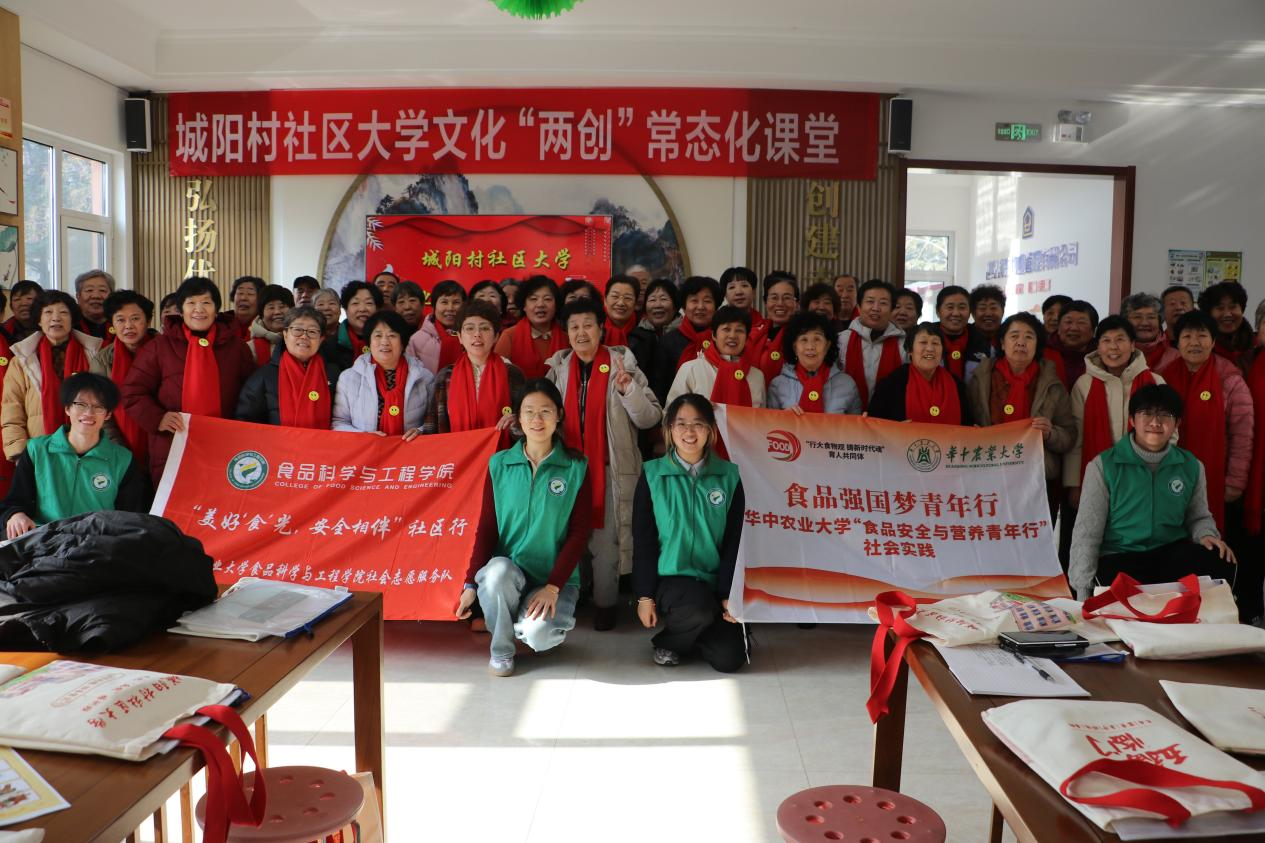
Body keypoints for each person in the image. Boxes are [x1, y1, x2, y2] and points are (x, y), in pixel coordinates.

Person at [455, 379, 592, 677]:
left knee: (539, 635)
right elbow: (487, 528)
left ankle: (514, 623)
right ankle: (502, 651)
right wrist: (470, 586)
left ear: (558, 415)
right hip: (509, 574)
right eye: (529, 411)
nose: (536, 419)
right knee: (496, 574)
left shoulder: (576, 467)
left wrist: (553, 587)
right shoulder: (499, 464)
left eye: (545, 411)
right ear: (518, 418)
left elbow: (580, 533)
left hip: (554, 579)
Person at [546, 298, 662, 629]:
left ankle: (606, 604)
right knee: (567, 534)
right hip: (566, 470)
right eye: (574, 326)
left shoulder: (623, 364)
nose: (581, 332)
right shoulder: (558, 369)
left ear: (601, 328)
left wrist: (628, 390)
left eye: (588, 325)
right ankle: (576, 595)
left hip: (610, 470)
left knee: (606, 542)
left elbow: (651, 417)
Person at [1068, 384, 1237, 600]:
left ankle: (1217, 614)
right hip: (1121, 555)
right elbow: (1087, 532)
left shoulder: (1191, 466)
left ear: (1177, 423)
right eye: (1146, 413)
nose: (1155, 422)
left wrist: (1206, 534)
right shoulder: (1104, 466)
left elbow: (1198, 516)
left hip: (1170, 553)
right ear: (1132, 420)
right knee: (1113, 581)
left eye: (1165, 415)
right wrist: (1083, 590)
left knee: (1220, 556)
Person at [633, 393, 746, 672]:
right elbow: (644, 539)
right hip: (672, 581)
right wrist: (644, 595)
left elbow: (735, 541)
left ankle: (691, 633)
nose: (689, 432)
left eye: (698, 424)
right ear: (670, 429)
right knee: (695, 607)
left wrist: (728, 594)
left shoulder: (730, 476)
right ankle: (669, 641)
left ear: (711, 430)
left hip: (714, 582)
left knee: (730, 658)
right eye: (681, 423)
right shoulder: (653, 475)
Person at [120, 277, 256, 482]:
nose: (199, 309)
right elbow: (133, 391)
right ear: (181, 310)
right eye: (191, 303)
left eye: (206, 302)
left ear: (216, 310)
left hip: (225, 444)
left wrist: (239, 427)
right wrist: (158, 418)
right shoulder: (160, 347)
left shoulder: (237, 348)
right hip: (172, 445)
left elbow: (252, 395)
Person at [0, 373, 149, 539]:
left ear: (107, 414)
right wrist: (16, 515)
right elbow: (15, 501)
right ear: (67, 408)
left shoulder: (123, 459)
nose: (89, 412)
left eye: (98, 406)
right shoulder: (37, 450)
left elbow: (129, 517)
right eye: (80, 404)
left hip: (96, 542)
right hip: (43, 537)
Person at [966, 312, 1076, 512]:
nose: (1021, 342)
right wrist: (972, 434)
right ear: (1002, 343)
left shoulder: (1052, 385)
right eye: (1014, 336)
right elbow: (963, 425)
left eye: (1029, 337)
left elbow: (1069, 436)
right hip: (987, 477)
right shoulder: (980, 379)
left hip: (1036, 480)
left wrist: (1050, 434)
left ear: (1037, 344)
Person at [1159, 310, 1252, 533]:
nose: (1194, 343)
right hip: (1165, 473)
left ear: (1213, 341)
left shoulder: (1230, 380)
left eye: (1202, 336)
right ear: (1177, 342)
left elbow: (1242, 435)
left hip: (1214, 477)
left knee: (1205, 535)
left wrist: (1235, 481)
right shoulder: (1162, 377)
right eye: (1187, 336)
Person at [1065, 316, 1165, 503]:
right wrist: (1074, 484)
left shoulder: (1155, 382)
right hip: (1097, 477)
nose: (1113, 347)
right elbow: (1077, 437)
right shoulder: (1084, 384)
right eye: (1106, 340)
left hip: (1144, 478)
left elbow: (1168, 433)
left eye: (1120, 340)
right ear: (1098, 346)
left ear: (1132, 345)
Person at [3, 291, 105, 461]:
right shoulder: (22, 360)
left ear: (72, 319)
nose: (56, 318)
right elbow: (12, 409)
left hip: (89, 451)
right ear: (39, 320)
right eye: (48, 312)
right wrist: (20, 453)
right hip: (38, 453)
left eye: (63, 312)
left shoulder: (94, 354)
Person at [424, 300, 524, 437]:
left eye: (485, 328)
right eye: (470, 328)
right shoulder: (446, 376)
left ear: (496, 336)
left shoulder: (512, 374)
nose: (477, 334)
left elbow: (524, 423)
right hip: (457, 449)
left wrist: (516, 422)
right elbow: (432, 425)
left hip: (502, 450)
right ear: (460, 337)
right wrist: (418, 431)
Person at [332, 310, 432, 439]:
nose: (385, 342)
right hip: (367, 449)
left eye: (392, 335)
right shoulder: (349, 378)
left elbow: (434, 422)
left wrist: (420, 431)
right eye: (378, 335)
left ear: (402, 342)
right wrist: (364, 437)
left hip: (411, 450)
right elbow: (339, 422)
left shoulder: (423, 377)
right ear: (369, 341)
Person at [236, 306, 342, 428]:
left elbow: (342, 419)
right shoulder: (264, 376)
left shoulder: (334, 374)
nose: (304, 336)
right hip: (276, 441)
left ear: (321, 339)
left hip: (323, 441)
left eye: (312, 332)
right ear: (285, 334)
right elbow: (245, 423)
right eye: (297, 330)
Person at [868, 323, 971, 425]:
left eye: (935, 343)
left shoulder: (956, 384)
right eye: (923, 342)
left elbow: (968, 426)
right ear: (909, 350)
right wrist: (895, 429)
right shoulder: (891, 384)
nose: (930, 349)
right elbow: (874, 426)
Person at [667, 306, 766, 409]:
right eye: (726, 329)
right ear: (714, 335)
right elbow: (671, 413)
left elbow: (762, 417)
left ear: (746, 339)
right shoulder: (691, 369)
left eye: (739, 330)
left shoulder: (757, 376)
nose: (732, 336)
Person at [99, 290, 156, 462]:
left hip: (161, 439)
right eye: (120, 320)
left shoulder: (164, 352)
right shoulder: (103, 360)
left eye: (135, 318)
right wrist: (118, 448)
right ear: (112, 324)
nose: (128, 326)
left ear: (148, 321)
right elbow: (100, 408)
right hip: (119, 446)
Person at [767, 311, 861, 415]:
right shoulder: (778, 385)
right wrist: (783, 418)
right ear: (794, 347)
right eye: (804, 339)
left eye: (817, 339)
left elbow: (856, 424)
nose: (810, 347)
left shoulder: (847, 384)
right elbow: (769, 424)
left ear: (827, 346)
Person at [836, 279, 906, 411]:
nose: (875, 308)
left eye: (883, 303)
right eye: (870, 301)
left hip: (889, 418)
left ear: (892, 310)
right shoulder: (841, 340)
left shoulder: (903, 345)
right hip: (847, 416)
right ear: (859, 307)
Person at [651, 276, 721, 404]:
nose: (700, 306)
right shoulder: (668, 341)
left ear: (716, 306)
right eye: (694, 301)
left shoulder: (723, 341)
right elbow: (659, 388)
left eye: (707, 301)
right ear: (684, 307)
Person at [493, 275, 567, 380]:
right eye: (533, 299)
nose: (540, 304)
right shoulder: (510, 336)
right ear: (524, 305)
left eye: (547, 299)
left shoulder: (567, 338)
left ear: (556, 305)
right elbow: (496, 374)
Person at [748, 271, 800, 386]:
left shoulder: (803, 336)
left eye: (787, 298)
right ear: (765, 302)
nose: (780, 303)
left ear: (796, 303)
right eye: (774, 298)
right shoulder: (752, 333)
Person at [408, 279, 466, 374]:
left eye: (456, 302)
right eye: (444, 302)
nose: (450, 308)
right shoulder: (416, 340)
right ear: (434, 306)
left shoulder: (472, 337)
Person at [936, 285, 991, 383]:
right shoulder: (925, 338)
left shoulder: (981, 340)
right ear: (938, 311)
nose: (956, 313)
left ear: (970, 311)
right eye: (950, 307)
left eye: (962, 307)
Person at [323, 280, 382, 370]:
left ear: (377, 309)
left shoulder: (388, 341)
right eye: (355, 303)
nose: (362, 309)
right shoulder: (329, 346)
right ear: (345, 309)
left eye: (369, 303)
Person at [1199, 280, 1256, 372]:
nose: (1227, 314)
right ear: (1209, 314)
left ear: (1242, 309)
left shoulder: (1257, 346)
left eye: (1233, 307)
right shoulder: (1200, 348)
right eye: (1220, 308)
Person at [1122, 291, 1179, 371]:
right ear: (1126, 321)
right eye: (1137, 317)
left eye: (1151, 317)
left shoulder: (1176, 357)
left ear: (1160, 321)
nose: (1144, 323)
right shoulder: (1115, 354)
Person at [1049, 300, 1098, 389]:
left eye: (1081, 323)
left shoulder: (1101, 357)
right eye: (1068, 322)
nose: (1074, 328)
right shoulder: (1043, 354)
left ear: (1093, 330)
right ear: (1058, 328)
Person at [248, 284, 294, 365]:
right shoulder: (250, 348)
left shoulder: (302, 342)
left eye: (282, 306)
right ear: (261, 314)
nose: (277, 312)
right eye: (271, 307)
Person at [720, 267, 765, 334]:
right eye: (732, 287)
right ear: (725, 295)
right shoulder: (716, 323)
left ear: (753, 292)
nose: (739, 292)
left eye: (744, 285)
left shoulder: (764, 326)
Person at [601, 274, 641, 348]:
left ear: (635, 303)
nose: (621, 303)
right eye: (615, 296)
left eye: (627, 298)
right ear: (605, 300)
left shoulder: (645, 334)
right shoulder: (594, 328)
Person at [74, 270, 114, 339]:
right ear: (78, 296)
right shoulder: (69, 325)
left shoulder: (121, 323)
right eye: (89, 290)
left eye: (102, 290)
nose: (96, 296)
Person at [226, 275, 265, 343]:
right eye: (240, 293)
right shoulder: (221, 324)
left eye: (250, 294)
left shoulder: (266, 327)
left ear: (260, 300)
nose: (243, 298)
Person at [1, 280, 42, 344]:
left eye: (29, 298)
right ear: (11, 307)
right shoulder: (3, 331)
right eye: (17, 299)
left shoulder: (53, 329)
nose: (24, 303)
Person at [968, 284, 1006, 350]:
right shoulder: (964, 336)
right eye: (982, 308)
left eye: (993, 308)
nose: (988, 314)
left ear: (1002, 311)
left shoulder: (1009, 336)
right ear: (973, 313)